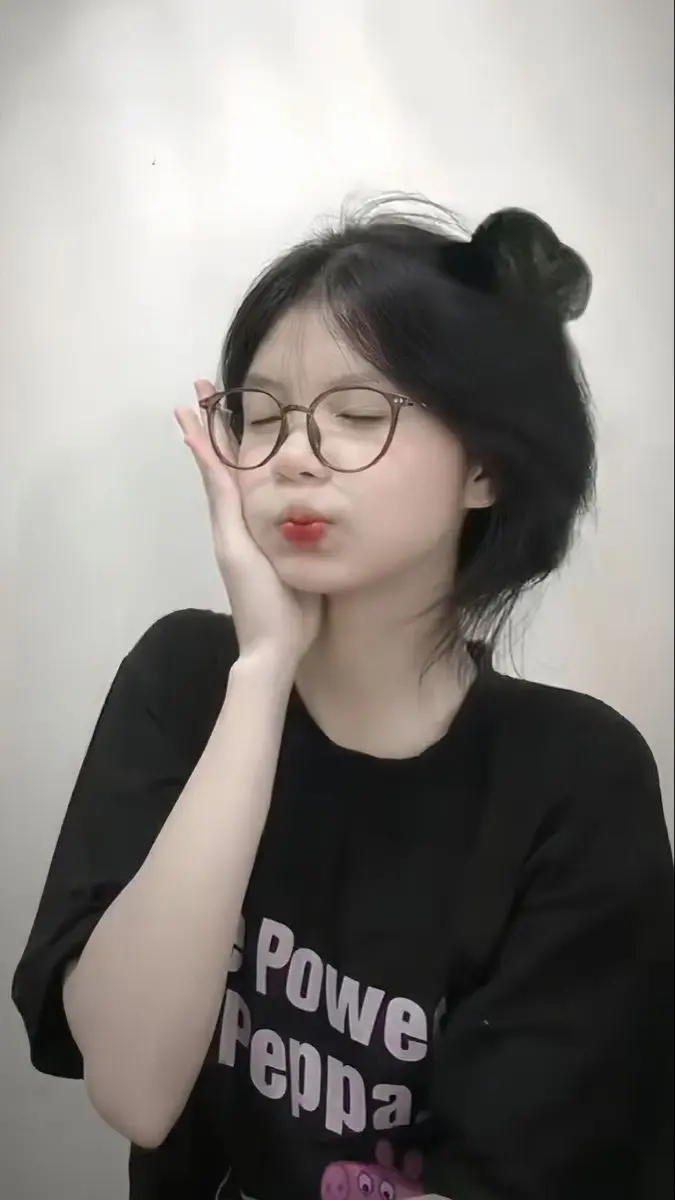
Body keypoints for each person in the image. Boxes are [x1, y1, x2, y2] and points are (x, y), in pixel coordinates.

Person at [12, 197, 673, 1200]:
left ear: (485, 465)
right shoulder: (183, 681)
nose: (292, 455)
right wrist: (263, 670)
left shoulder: (576, 780)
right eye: (261, 415)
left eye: (358, 415)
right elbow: (136, 1092)